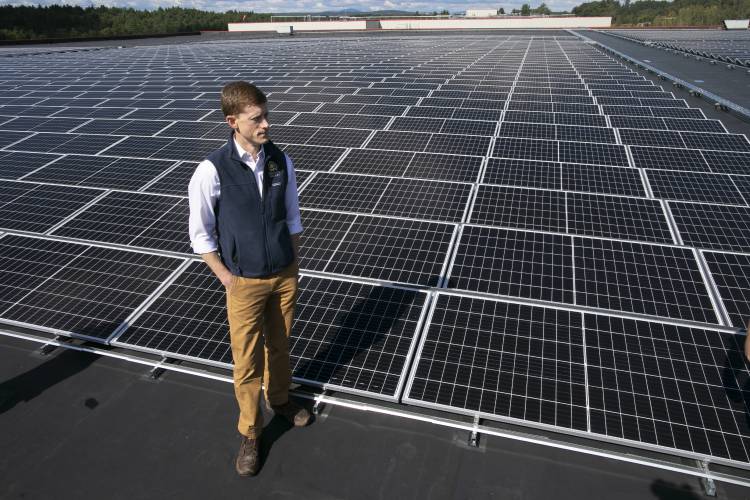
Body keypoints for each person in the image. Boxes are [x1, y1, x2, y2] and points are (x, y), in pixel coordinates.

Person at [188, 81, 310, 477]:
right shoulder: (211, 170)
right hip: (244, 283)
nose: (266, 124)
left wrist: (293, 260)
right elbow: (201, 234)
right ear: (232, 121)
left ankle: (280, 399)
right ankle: (250, 433)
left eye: (265, 115)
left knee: (280, 346)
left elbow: (292, 215)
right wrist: (227, 278)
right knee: (246, 362)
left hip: (283, 275)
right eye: (256, 119)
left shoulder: (280, 160)